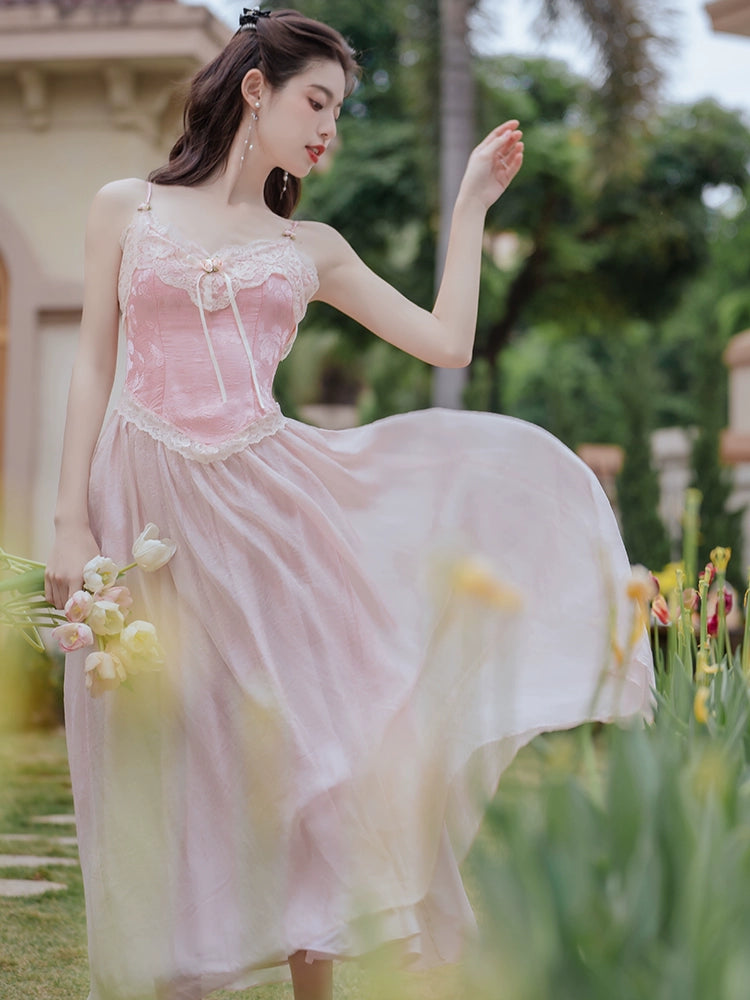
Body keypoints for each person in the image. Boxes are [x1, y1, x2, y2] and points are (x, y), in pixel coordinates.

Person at [44, 8, 653, 1000]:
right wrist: (71, 517)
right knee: (167, 753)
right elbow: (91, 368)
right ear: (256, 89)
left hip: (271, 515)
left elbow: (447, 342)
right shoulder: (126, 209)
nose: (329, 126)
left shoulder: (312, 246)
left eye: (341, 110)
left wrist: (469, 206)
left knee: (306, 758)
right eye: (316, 101)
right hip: (145, 511)